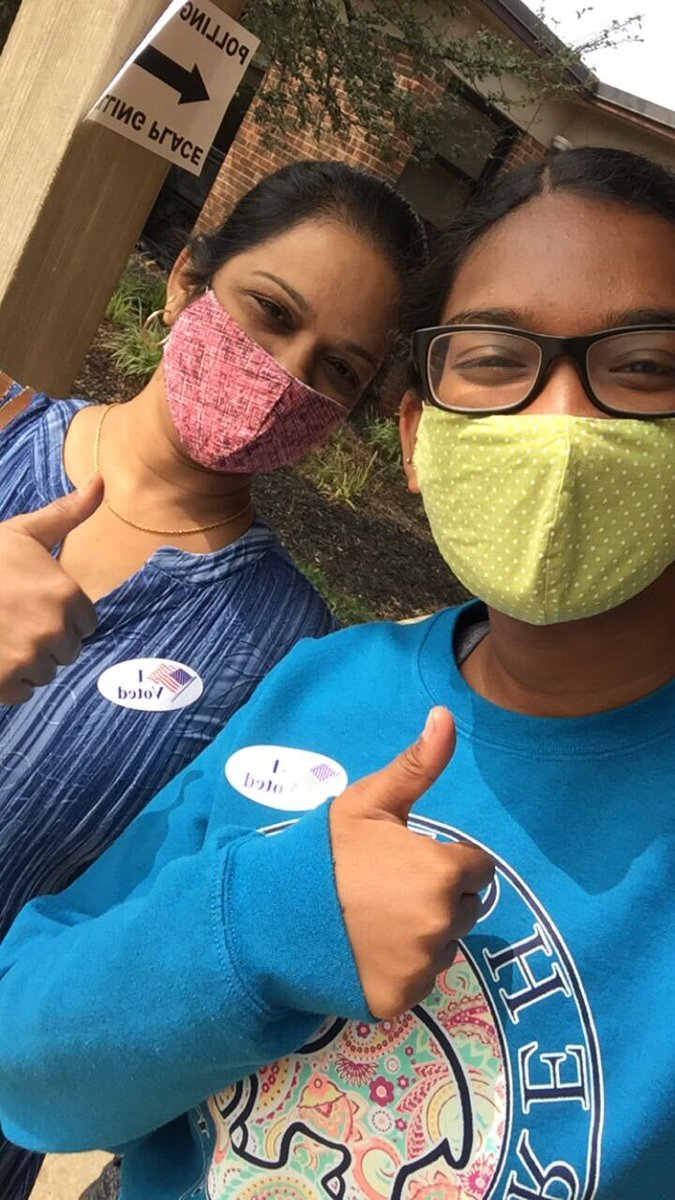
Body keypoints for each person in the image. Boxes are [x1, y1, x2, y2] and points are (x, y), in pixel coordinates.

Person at [0, 145, 673, 1200]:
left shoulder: (270, 634)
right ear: (419, 437)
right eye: (496, 359)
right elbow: (31, 1063)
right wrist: (262, 921)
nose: (563, 425)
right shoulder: (322, 690)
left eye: (643, 365)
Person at [0, 159, 427, 1200]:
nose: (284, 372)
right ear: (187, 278)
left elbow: (144, 942)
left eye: (336, 372)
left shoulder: (282, 648)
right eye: (270, 313)